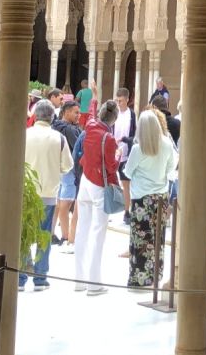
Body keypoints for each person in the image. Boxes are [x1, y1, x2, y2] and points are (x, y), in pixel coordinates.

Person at [21, 100, 73, 290]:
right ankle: (40, 278)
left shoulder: (24, 134)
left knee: (24, 234)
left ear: (35, 115)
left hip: (25, 192)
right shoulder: (58, 138)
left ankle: (20, 276)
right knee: (44, 235)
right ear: (52, 117)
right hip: (48, 193)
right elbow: (67, 165)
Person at [124, 108, 176, 289]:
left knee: (140, 239)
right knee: (157, 238)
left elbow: (128, 172)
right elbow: (171, 169)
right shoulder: (167, 144)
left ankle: (139, 276)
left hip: (141, 199)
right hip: (161, 197)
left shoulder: (138, 149)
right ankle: (156, 274)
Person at [73, 99, 121, 294]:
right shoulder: (109, 139)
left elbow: (91, 112)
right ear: (114, 119)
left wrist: (94, 98)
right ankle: (94, 283)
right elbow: (111, 166)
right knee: (97, 233)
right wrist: (118, 156)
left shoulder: (90, 125)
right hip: (99, 184)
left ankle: (79, 280)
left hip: (85, 181)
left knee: (82, 230)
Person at [51, 100, 84, 247]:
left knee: (58, 203)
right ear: (67, 112)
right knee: (66, 202)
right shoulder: (70, 130)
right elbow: (79, 149)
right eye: (76, 112)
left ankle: (51, 233)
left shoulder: (54, 127)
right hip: (70, 169)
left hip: (56, 168)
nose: (79, 115)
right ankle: (66, 236)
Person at [112, 88, 135, 219]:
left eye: (121, 101)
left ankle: (127, 211)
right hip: (113, 152)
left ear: (127, 100)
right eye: (117, 100)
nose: (119, 103)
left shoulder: (131, 115)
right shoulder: (114, 113)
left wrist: (125, 141)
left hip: (125, 153)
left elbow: (133, 134)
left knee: (126, 183)